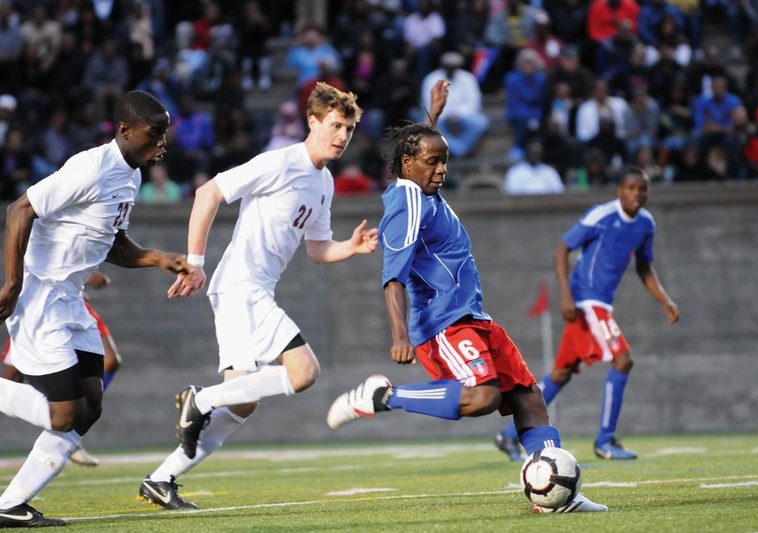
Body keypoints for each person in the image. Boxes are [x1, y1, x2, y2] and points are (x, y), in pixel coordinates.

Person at [326, 80, 607, 514]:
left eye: (445, 161)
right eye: (433, 162)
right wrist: (399, 335)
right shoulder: (407, 204)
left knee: (528, 398)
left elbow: (419, 149)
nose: (441, 169)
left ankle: (556, 493)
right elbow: (393, 276)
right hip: (442, 324)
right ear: (408, 165)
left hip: (472, 316)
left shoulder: (421, 185)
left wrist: (432, 114)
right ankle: (381, 397)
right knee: (483, 396)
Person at [138, 82, 378, 511]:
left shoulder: (324, 183)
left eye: (349, 129)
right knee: (304, 371)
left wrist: (350, 247)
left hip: (250, 290)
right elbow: (208, 192)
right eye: (335, 125)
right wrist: (195, 261)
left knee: (242, 401)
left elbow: (317, 249)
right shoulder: (281, 162)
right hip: (241, 287)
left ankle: (160, 479)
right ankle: (200, 399)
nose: (342, 136)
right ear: (313, 123)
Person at [0, 90, 193, 528]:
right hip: (42, 297)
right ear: (124, 130)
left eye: (165, 134)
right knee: (65, 413)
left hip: (71, 300)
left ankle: (10, 505)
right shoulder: (90, 168)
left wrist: (157, 258)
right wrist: (12, 284)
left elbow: (113, 242)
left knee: (90, 407)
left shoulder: (131, 176)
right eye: (154, 133)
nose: (162, 142)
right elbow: (19, 210)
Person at [497, 167, 679, 462]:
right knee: (623, 360)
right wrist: (566, 295)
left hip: (600, 305)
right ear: (620, 190)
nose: (637, 193)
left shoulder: (646, 224)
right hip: (586, 302)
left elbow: (644, 265)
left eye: (643, 188)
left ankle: (507, 435)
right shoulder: (601, 216)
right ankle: (605, 441)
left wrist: (664, 300)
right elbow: (562, 249)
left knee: (560, 374)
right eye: (631, 188)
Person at [0, 270, 122, 468]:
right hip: (40, 305)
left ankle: (71, 429)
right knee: (11, 379)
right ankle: (68, 423)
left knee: (109, 363)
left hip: (75, 302)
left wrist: (155, 258)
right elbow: (41, 257)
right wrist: (88, 275)